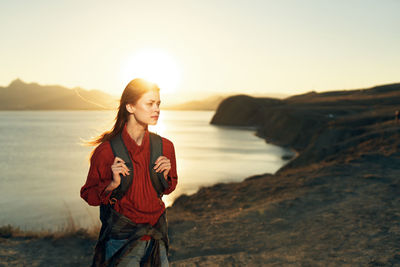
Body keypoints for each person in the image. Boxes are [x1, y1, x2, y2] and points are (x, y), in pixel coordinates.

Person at [80, 78, 178, 266]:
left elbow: (168, 188)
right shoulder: (106, 151)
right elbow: (89, 195)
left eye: (158, 104)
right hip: (120, 241)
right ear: (130, 107)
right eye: (150, 104)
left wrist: (164, 176)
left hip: (157, 236)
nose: (156, 109)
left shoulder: (166, 147)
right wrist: (112, 185)